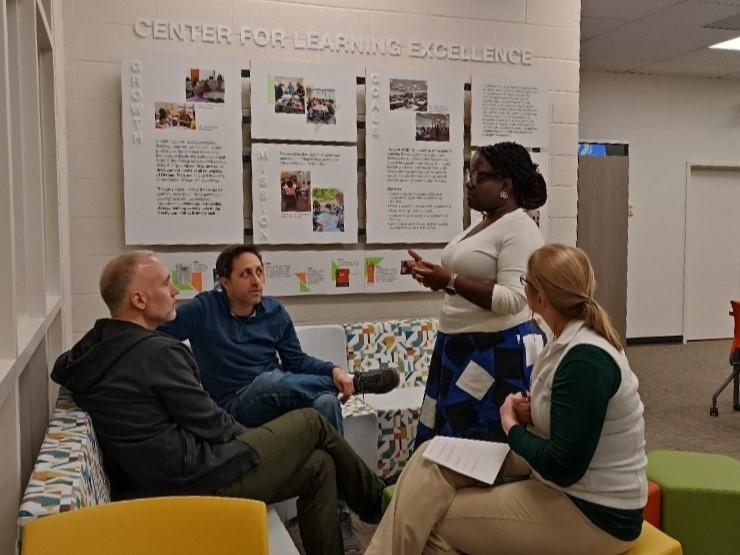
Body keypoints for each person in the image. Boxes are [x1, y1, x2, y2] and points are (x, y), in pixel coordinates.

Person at [50, 251, 386, 555]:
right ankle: (379, 503)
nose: (175, 292)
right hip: (197, 478)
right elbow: (213, 425)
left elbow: (61, 365)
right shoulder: (160, 353)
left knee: (320, 464)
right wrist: (266, 440)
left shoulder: (94, 351)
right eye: (167, 284)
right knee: (311, 424)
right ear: (138, 299)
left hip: (163, 474)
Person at [366, 244, 648, 555]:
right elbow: (571, 420)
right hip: (569, 487)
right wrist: (534, 412)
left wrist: (511, 426)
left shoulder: (585, 360)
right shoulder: (570, 339)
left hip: (595, 514)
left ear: (540, 297)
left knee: (434, 522)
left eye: (525, 282)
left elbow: (563, 466)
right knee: (428, 456)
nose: (521, 288)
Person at [158, 244, 399, 554]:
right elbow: (156, 332)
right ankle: (355, 384)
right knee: (270, 380)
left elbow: (297, 362)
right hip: (233, 407)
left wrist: (333, 370)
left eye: (259, 272)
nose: (256, 280)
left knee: (325, 402)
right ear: (224, 282)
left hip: (275, 399)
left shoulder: (274, 312)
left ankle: (339, 510)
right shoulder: (203, 309)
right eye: (246, 273)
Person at [408, 142, 548, 446]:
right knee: (445, 434)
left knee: (473, 440)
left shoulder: (520, 228)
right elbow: (463, 281)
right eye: (469, 174)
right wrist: (439, 280)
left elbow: (514, 300)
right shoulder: (482, 223)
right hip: (457, 345)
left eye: (480, 176)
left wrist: (451, 280)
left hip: (493, 352)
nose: (469, 183)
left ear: (505, 186)